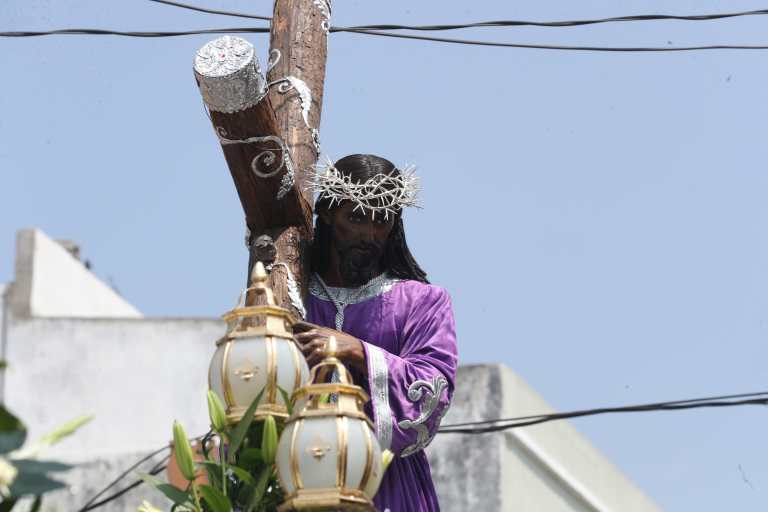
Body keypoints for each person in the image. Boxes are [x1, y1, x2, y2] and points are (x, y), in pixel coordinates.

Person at [294, 154, 458, 511]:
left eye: (382, 222)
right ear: (328, 215)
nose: (369, 234)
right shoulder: (290, 295)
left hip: (388, 486)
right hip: (295, 473)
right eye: (355, 218)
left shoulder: (423, 302)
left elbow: (433, 391)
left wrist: (357, 351)